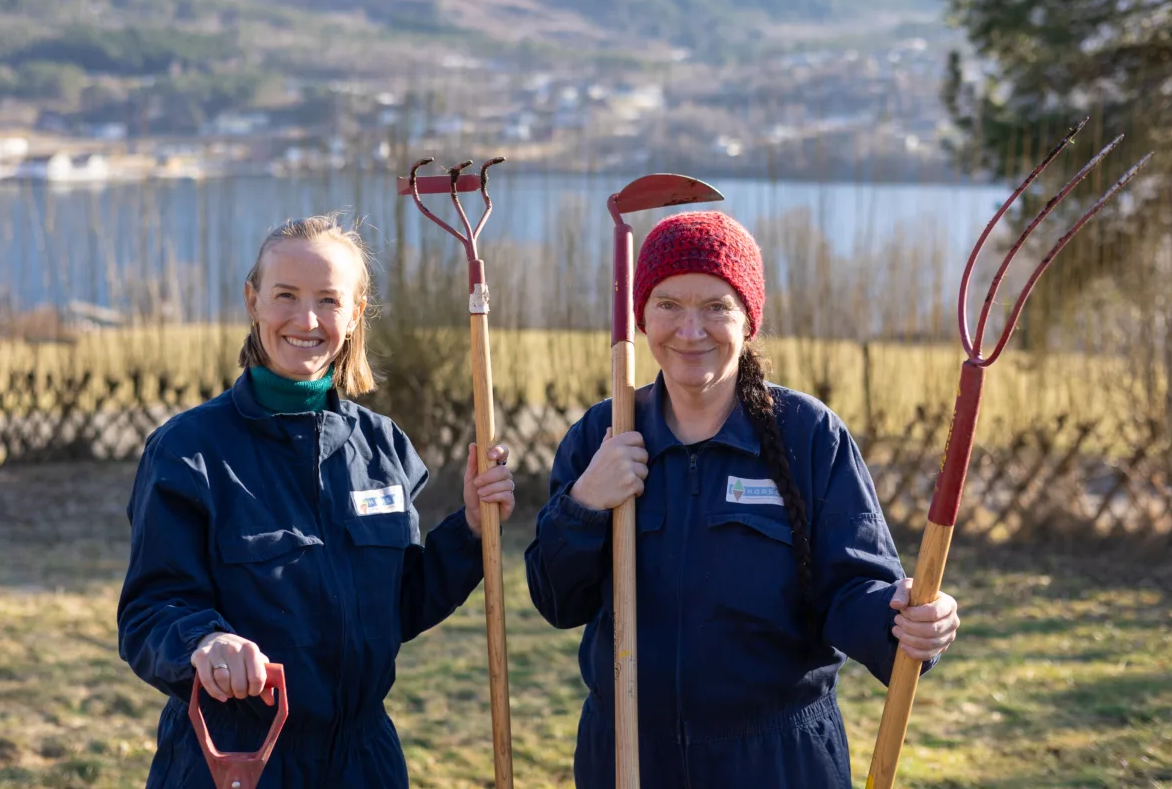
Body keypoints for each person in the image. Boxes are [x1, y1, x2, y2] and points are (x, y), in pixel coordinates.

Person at [524, 211, 961, 788]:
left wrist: (906, 621)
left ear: (748, 319)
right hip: (628, 754)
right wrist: (584, 503)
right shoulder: (604, 433)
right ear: (641, 316)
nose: (690, 329)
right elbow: (557, 599)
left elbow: (855, 586)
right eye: (668, 304)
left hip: (776, 759)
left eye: (716, 306)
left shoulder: (807, 434)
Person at [117, 214, 517, 788]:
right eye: (285, 295)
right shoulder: (189, 451)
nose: (306, 320)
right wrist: (205, 641)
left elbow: (397, 607)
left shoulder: (383, 448)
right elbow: (150, 612)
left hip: (363, 763)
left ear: (355, 314)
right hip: (236, 762)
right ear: (253, 301)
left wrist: (472, 531)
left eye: (328, 300)